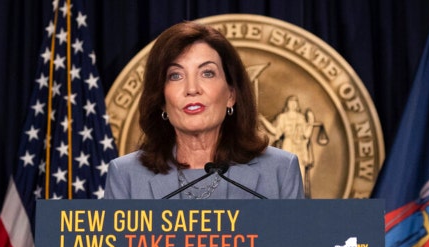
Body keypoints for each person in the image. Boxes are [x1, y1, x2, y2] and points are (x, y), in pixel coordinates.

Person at [104, 21, 304, 200]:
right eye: (175, 75)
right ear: (162, 101)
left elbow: (297, 241)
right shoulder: (126, 176)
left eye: (207, 73)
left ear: (231, 95)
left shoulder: (280, 170)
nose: (192, 89)